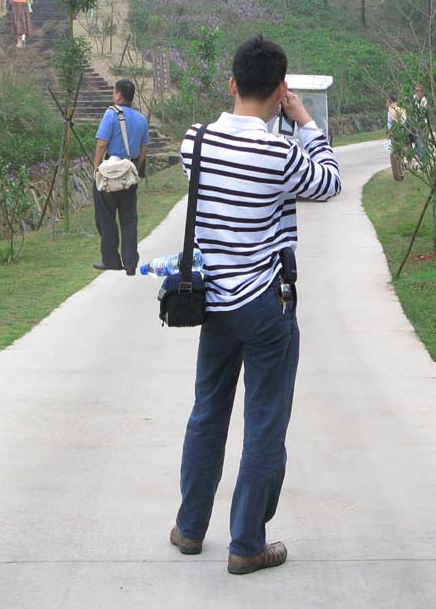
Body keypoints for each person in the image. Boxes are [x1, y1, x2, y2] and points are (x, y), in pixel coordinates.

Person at [170, 35, 341, 576]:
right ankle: (246, 543)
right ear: (281, 91)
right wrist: (307, 123)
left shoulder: (193, 143)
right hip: (266, 304)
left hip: (212, 304)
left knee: (207, 413)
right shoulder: (282, 152)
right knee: (264, 421)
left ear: (232, 83)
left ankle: (191, 529)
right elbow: (330, 182)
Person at [92, 79, 150, 276]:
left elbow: (101, 144)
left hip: (110, 172)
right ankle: (130, 263)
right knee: (129, 219)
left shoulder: (111, 114)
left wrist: (96, 167)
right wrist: (136, 167)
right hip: (129, 173)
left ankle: (111, 260)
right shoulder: (142, 119)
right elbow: (144, 148)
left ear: (118, 96)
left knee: (106, 217)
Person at [386, 94, 407, 182]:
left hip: (394, 134)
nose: (386, 104)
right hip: (401, 134)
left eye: (387, 102)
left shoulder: (391, 111)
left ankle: (397, 177)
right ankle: (400, 174)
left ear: (390, 102)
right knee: (398, 155)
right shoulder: (400, 110)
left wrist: (389, 135)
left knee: (393, 156)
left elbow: (391, 124)